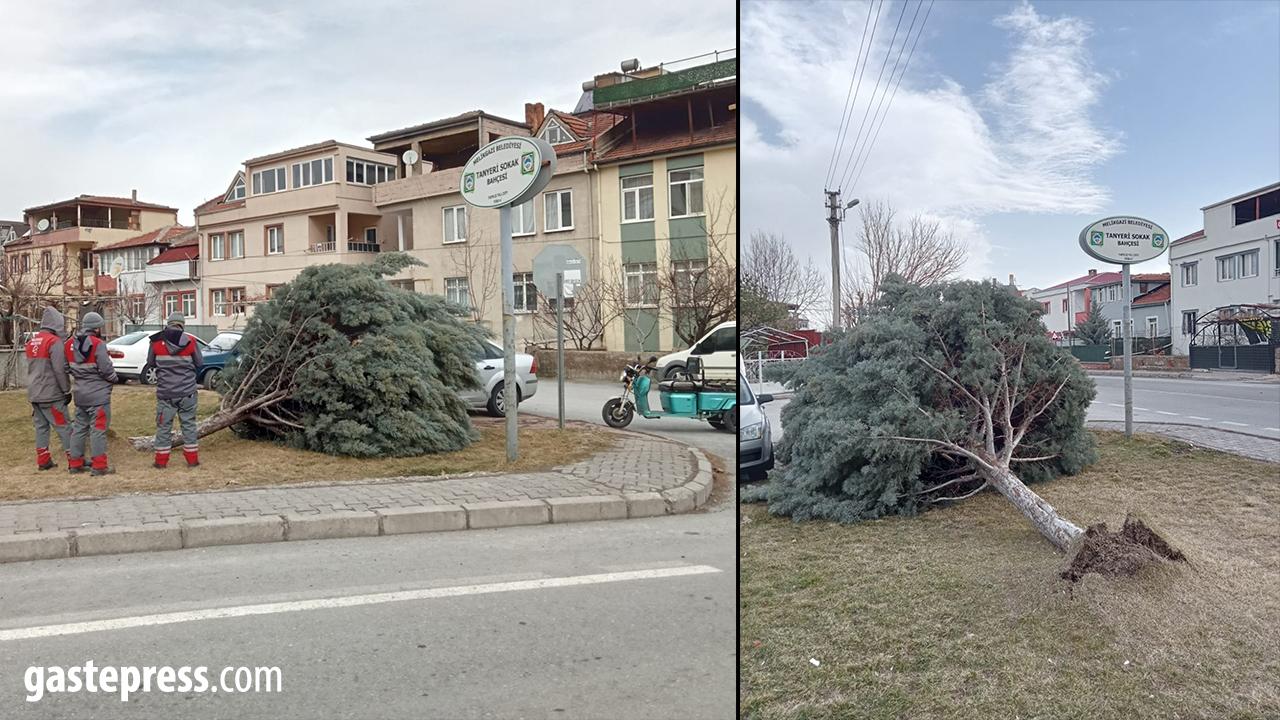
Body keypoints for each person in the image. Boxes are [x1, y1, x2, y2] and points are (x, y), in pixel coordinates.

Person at [148, 311, 203, 468]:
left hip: (166, 394)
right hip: (187, 393)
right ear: (182, 325)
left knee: (164, 427)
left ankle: (160, 462)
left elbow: (150, 363)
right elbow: (199, 363)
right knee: (189, 426)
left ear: (168, 323)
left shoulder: (156, 342)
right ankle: (192, 461)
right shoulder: (191, 341)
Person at [65, 311, 118, 476]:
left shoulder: (68, 344)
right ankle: (100, 466)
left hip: (80, 394)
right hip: (99, 396)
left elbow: (66, 368)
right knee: (98, 430)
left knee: (79, 428)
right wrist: (114, 379)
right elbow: (106, 368)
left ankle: (75, 463)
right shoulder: (98, 344)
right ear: (96, 329)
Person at [24, 306, 72, 470]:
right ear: (57, 323)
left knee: (41, 427)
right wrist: (66, 390)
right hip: (51, 394)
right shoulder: (54, 342)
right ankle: (74, 459)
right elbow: (59, 369)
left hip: (34, 393)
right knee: (64, 426)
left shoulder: (32, 342)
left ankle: (43, 461)